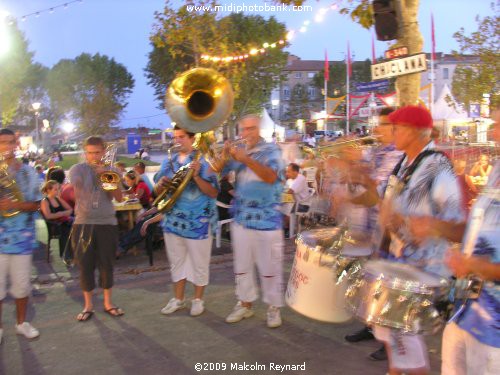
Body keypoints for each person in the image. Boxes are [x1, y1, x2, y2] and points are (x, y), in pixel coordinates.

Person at [373, 106, 466, 375]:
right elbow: (382, 199)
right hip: (400, 260)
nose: (391, 132)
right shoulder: (404, 164)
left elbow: (458, 227)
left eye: (396, 127)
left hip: (425, 268)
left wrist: (431, 226)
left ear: (415, 131)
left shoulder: (437, 165)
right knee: (391, 331)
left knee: (407, 341)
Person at [441, 110, 500, 375]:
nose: (491, 132)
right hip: (471, 310)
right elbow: (483, 229)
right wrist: (440, 228)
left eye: (498, 124)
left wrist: (474, 265)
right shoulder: (497, 168)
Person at [343, 107, 403, 361]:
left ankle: (391, 341)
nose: (376, 129)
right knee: (373, 284)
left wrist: (358, 164)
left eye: (382, 125)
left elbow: (376, 189)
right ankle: (373, 326)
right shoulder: (378, 152)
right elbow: (361, 186)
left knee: (390, 287)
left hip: (390, 233)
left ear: (396, 128)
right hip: (372, 228)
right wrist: (349, 164)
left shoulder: (399, 156)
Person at [219, 114, 286, 328]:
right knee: (242, 265)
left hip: (267, 220)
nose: (246, 134)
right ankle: (244, 303)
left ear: (259, 130)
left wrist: (245, 159)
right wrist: (223, 154)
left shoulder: (272, 150)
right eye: (244, 129)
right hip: (241, 218)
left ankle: (273, 307)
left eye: (251, 129)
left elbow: (270, 177)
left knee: (270, 266)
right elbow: (217, 170)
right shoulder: (238, 151)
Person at [154, 125, 218, 317]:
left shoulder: (204, 161)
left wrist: (196, 176)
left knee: (199, 262)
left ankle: (198, 300)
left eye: (182, 137)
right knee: (176, 262)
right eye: (175, 137)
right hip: (173, 220)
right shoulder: (169, 161)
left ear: (192, 138)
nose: (177, 140)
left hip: (198, 221)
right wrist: (160, 184)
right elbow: (157, 191)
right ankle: (178, 299)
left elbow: (213, 192)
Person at [68, 136, 124, 322]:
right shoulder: (78, 169)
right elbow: (78, 190)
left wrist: (105, 175)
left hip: (106, 223)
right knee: (85, 265)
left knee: (106, 264)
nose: (93, 156)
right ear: (85, 153)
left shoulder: (111, 170)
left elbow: (118, 197)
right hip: (83, 223)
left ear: (103, 152)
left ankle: (108, 303)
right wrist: (91, 175)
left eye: (97, 152)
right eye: (90, 153)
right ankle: (88, 305)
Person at [0, 128, 41, 343]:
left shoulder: (28, 172)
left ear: (16, 145)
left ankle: (22, 323)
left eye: (10, 142)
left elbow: (36, 204)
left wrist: (14, 204)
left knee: (22, 285)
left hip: (22, 239)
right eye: (2, 143)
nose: (7, 147)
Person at [40, 180, 73, 261]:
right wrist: (62, 214)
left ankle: (73, 253)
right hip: (54, 226)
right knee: (69, 228)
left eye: (59, 189)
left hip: (63, 222)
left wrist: (63, 214)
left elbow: (70, 210)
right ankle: (66, 255)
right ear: (48, 190)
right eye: (56, 189)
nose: (58, 191)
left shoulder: (58, 199)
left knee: (80, 225)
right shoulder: (45, 201)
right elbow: (48, 215)